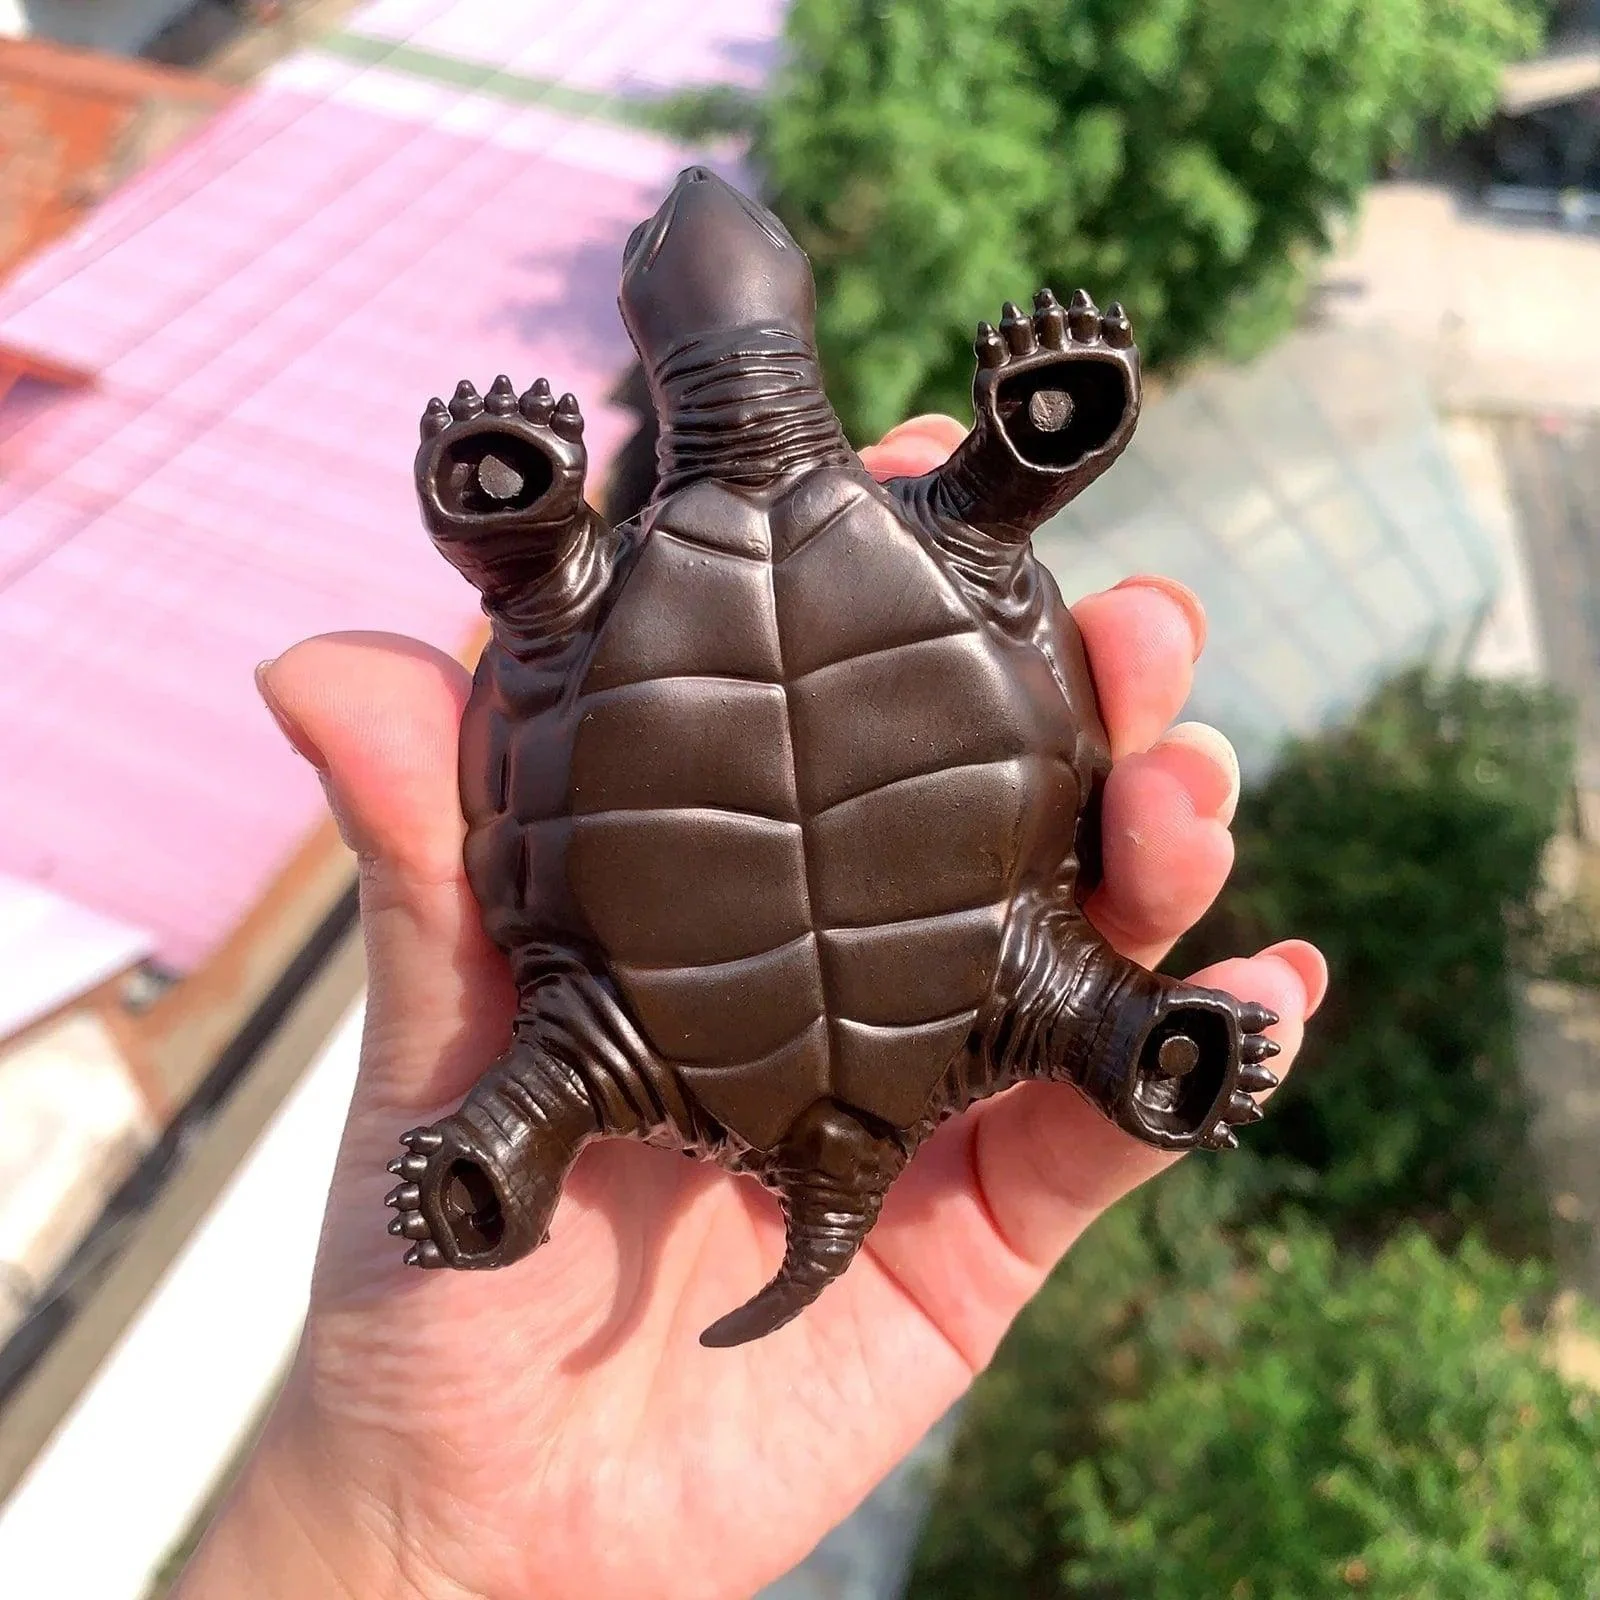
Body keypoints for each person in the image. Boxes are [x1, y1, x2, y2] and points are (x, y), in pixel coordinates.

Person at [176, 415, 1326, 1600]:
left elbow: (540, 624)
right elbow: (998, 512)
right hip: (980, 972)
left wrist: (398, 1553)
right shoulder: (939, 532)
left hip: (650, 1029)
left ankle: (505, 1163)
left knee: (551, 604)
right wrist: (1036, 439)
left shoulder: (592, 593)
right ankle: (1130, 1040)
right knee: (1074, 972)